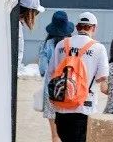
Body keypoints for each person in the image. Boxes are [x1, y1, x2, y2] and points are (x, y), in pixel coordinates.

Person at [49, 12, 109, 142]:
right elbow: (101, 78)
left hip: (61, 106)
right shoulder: (98, 48)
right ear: (93, 28)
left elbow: (51, 72)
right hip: (84, 106)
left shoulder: (61, 45)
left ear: (76, 27)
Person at [39, 11, 75, 142]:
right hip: (70, 89)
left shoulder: (46, 45)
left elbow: (43, 70)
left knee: (55, 135)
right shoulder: (73, 45)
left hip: (51, 90)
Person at [18, 0, 44, 71]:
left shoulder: (17, 23)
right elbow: (18, 52)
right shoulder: (17, 26)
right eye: (36, 12)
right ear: (30, 12)